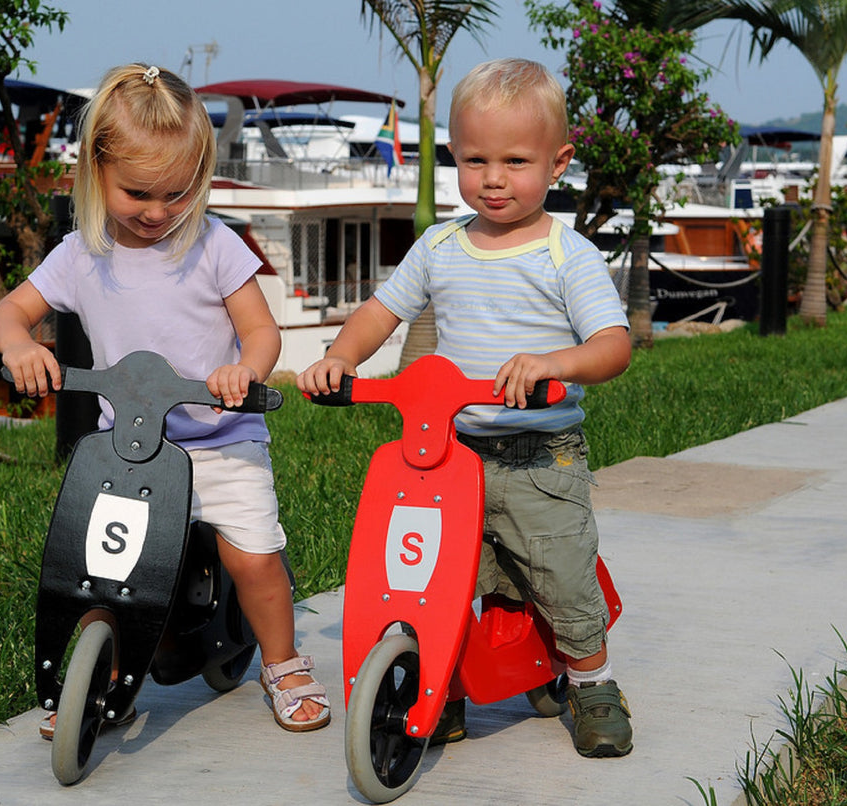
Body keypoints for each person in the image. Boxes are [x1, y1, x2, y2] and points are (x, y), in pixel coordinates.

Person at [297, 57, 632, 757]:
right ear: (454, 156)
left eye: (516, 160)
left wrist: (555, 364)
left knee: (561, 578)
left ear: (557, 161)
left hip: (541, 459)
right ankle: (440, 690)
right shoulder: (441, 245)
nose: (494, 178)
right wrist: (341, 357)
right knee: (430, 583)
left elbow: (611, 346)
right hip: (451, 454)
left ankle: (592, 682)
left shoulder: (565, 255)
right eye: (475, 159)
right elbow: (382, 311)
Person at [0, 63, 329, 736]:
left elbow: (261, 331)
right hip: (132, 449)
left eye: (178, 193)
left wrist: (245, 373)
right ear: (96, 172)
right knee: (99, 570)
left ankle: (284, 661)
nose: (157, 211)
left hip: (220, 440)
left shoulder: (212, 246)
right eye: (138, 193)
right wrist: (18, 347)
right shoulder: (81, 254)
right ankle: (100, 674)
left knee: (253, 556)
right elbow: (9, 311)